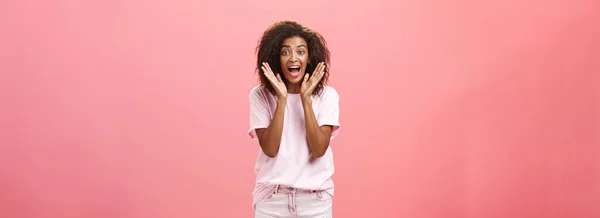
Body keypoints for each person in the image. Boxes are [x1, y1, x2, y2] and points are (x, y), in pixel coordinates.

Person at [247, 20, 341, 218]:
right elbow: (270, 150)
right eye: (285, 52)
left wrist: (306, 100)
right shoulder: (260, 95)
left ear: (310, 57)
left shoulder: (327, 96)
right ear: (275, 58)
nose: (293, 58)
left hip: (315, 203)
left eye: (300, 51)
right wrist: (281, 100)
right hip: (272, 201)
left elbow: (319, 149)